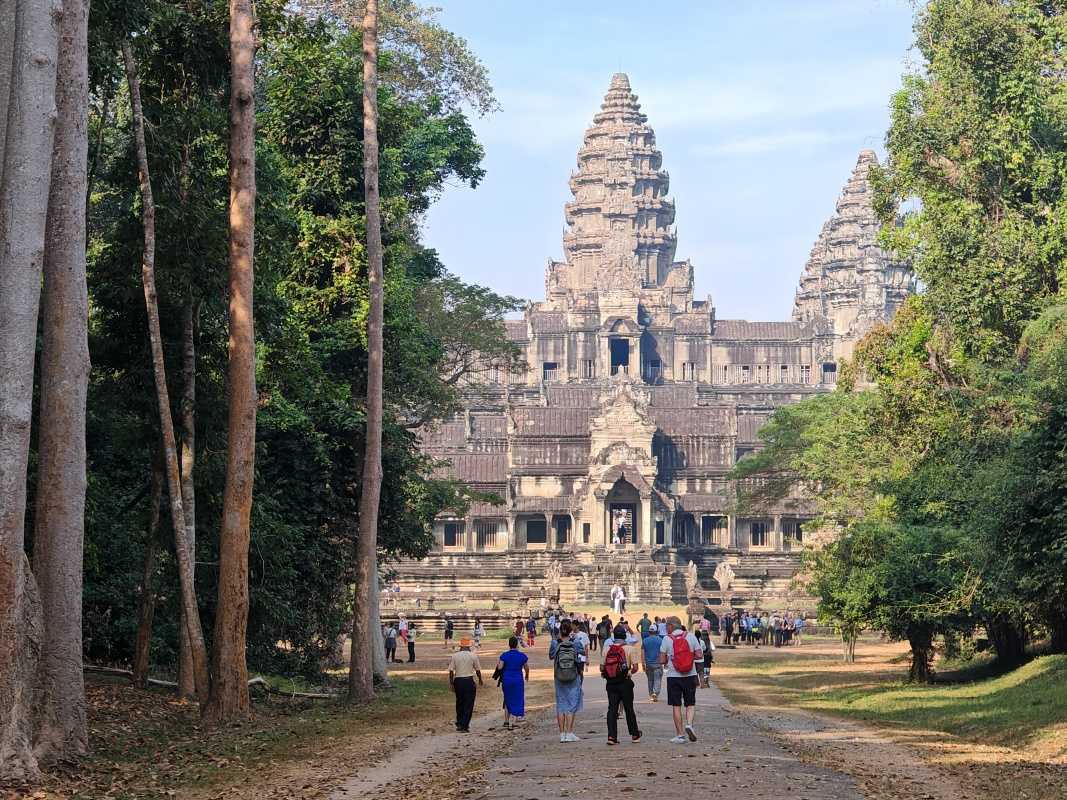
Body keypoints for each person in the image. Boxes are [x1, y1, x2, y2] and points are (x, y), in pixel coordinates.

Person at [659, 616, 703, 743]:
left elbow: (662, 660)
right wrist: (689, 658)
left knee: (676, 705)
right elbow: (699, 655)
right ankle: (689, 724)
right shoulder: (691, 636)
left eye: (667, 625)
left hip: (673, 676)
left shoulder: (667, 639)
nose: (666, 628)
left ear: (671, 626)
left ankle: (680, 734)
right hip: (690, 675)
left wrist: (670, 658)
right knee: (690, 703)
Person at [601, 625, 642, 745]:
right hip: (625, 682)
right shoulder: (630, 649)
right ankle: (634, 734)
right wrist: (628, 672)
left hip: (611, 683)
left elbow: (602, 667)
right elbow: (635, 668)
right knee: (629, 708)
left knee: (612, 709)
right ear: (625, 636)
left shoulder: (606, 649)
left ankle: (611, 737)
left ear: (614, 636)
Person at [549, 621, 585, 742]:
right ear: (571, 631)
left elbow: (551, 656)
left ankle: (562, 734)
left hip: (559, 675)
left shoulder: (555, 642)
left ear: (560, 631)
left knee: (561, 704)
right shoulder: (575, 642)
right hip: (573, 675)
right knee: (572, 703)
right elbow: (581, 657)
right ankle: (569, 732)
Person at [448, 637, 483, 733]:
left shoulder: (455, 656)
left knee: (459, 702)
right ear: (469, 647)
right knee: (468, 703)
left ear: (460, 646)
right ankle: (465, 725)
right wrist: (480, 679)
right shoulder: (473, 656)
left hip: (458, 681)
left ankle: (459, 723)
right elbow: (478, 670)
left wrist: (451, 682)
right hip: (468, 681)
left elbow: (451, 671)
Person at [496, 636, 529, 730]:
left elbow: (500, 668)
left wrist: (499, 663)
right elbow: (526, 667)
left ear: (509, 645)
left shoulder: (504, 655)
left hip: (507, 679)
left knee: (507, 699)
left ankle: (506, 721)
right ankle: (514, 722)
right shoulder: (522, 656)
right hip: (517, 679)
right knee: (517, 699)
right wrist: (527, 675)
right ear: (517, 645)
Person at [641, 623, 664, 701]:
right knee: (657, 679)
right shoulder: (660, 640)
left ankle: (651, 694)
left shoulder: (645, 641)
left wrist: (643, 664)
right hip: (658, 663)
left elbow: (642, 653)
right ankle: (655, 693)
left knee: (650, 680)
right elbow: (663, 652)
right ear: (656, 631)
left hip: (648, 664)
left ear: (649, 632)